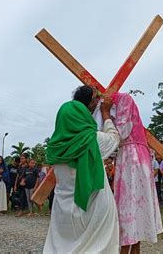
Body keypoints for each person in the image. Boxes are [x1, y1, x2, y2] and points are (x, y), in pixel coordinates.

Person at [43, 86, 120, 253]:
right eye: (94, 101)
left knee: (63, 245)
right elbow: (115, 138)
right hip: (94, 205)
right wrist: (106, 114)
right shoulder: (94, 140)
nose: (95, 105)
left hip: (63, 208)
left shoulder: (54, 148)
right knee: (97, 245)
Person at [111, 92, 163, 253]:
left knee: (131, 206)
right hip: (131, 155)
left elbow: (122, 131)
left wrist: (106, 114)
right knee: (132, 205)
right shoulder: (115, 102)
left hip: (132, 157)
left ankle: (127, 250)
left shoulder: (123, 99)